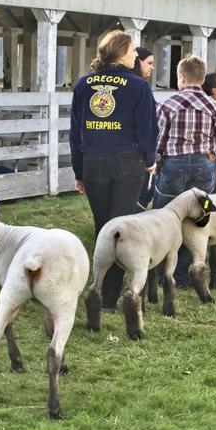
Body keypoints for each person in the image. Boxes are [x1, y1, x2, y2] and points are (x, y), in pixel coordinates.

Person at [67, 29, 157, 311]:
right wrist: (150, 160)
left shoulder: (84, 85)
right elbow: (147, 129)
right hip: (127, 161)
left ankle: (96, 287)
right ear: (120, 52)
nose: (135, 56)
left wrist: (79, 171)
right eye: (132, 51)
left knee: (102, 227)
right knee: (121, 229)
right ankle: (107, 297)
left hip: (93, 160)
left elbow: (75, 132)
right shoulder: (138, 86)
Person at [152, 54, 216, 288]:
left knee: (165, 215)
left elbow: (158, 141)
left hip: (173, 166)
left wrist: (156, 165)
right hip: (204, 167)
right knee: (199, 216)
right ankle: (187, 274)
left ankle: (159, 271)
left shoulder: (168, 104)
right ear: (203, 78)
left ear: (182, 77)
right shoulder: (214, 106)